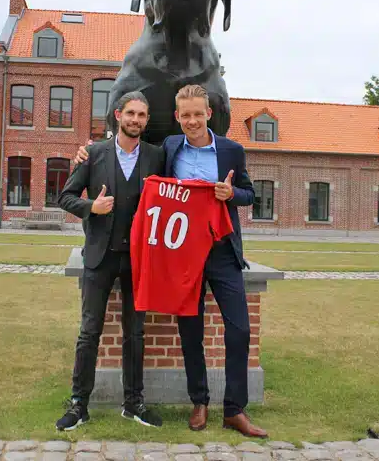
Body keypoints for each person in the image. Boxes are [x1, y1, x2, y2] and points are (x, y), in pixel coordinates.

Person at [74, 84, 268, 438]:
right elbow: (136, 164)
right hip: (183, 253)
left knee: (239, 329)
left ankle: (235, 409)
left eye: (198, 113)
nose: (192, 121)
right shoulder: (169, 147)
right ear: (177, 117)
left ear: (209, 114)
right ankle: (200, 402)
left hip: (222, 251)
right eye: (185, 115)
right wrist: (85, 154)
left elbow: (250, 194)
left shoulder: (231, 151)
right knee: (190, 330)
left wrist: (231, 194)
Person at [55, 91, 165, 431]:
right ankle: (79, 404)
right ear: (118, 115)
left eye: (142, 115)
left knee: (135, 333)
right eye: (130, 113)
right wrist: (92, 208)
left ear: (147, 121)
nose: (136, 120)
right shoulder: (93, 154)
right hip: (100, 257)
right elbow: (65, 197)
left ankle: (133, 403)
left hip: (138, 259)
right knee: (89, 332)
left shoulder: (157, 156)